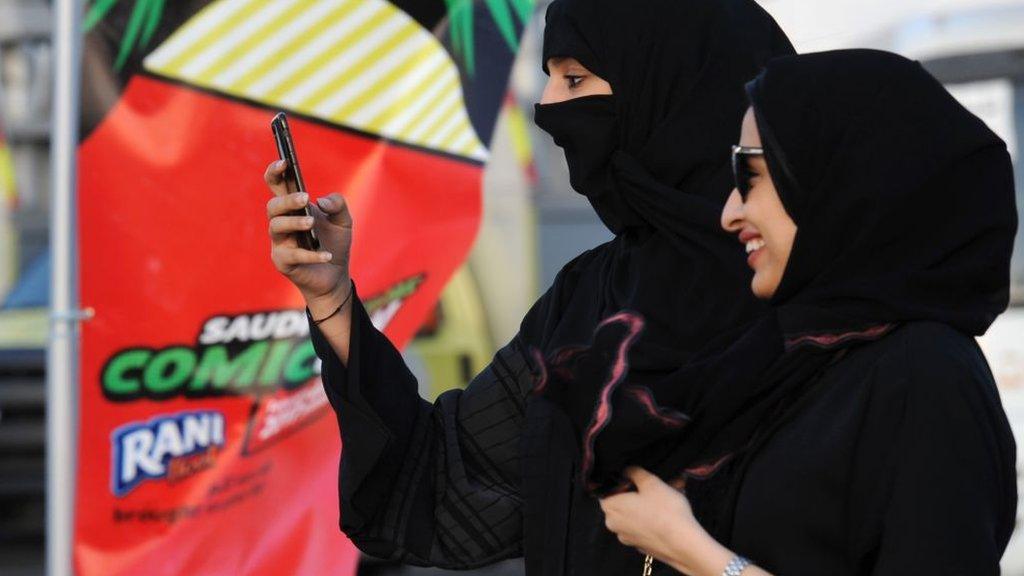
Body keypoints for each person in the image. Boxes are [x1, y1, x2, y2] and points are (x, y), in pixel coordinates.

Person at [263, 0, 794, 574]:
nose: (547, 107)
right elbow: (442, 475)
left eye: (574, 79)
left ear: (669, 89)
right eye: (548, 79)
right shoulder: (592, 297)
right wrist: (333, 298)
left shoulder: (832, 317)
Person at [572, 50, 1018, 575]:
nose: (730, 212)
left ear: (841, 176)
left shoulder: (927, 376)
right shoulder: (784, 361)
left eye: (752, 174)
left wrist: (698, 554)